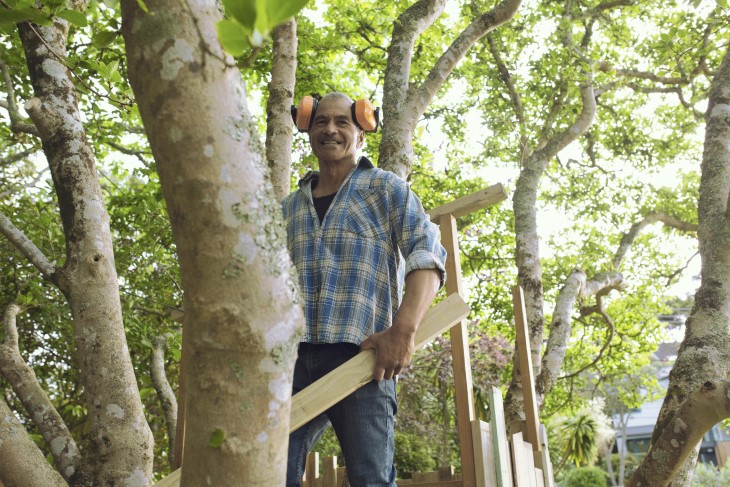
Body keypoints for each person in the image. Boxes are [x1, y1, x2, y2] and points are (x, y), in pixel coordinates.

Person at [282, 92, 447, 486]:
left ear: (361, 132)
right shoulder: (287, 208)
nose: (330, 129)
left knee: (371, 479)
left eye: (342, 122)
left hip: (363, 359)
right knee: (269, 474)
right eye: (321, 121)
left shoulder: (386, 189)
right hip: (289, 363)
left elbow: (427, 255)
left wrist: (402, 331)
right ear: (307, 127)